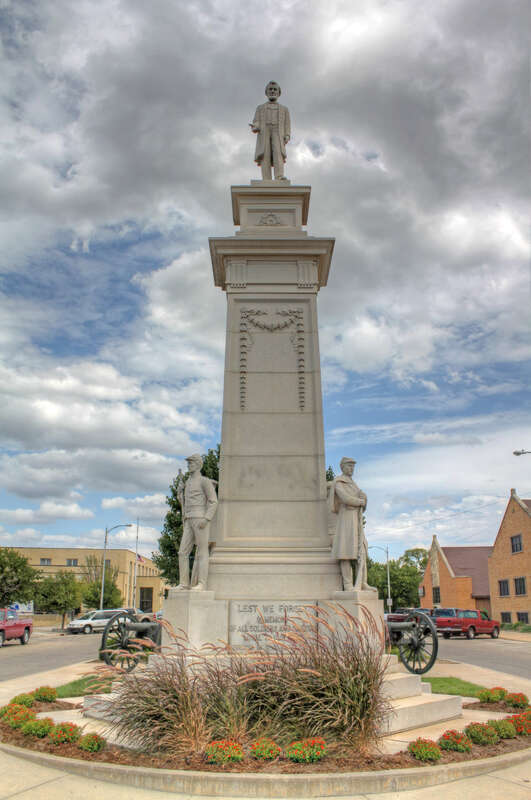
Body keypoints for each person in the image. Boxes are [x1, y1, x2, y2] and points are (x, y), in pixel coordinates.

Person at [329, 457, 375, 592]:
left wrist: (364, 498)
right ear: (343, 467)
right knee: (346, 551)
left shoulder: (354, 484)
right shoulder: (338, 482)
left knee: (362, 550)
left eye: (353, 467)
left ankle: (362, 582)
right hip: (346, 520)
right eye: (349, 466)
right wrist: (360, 501)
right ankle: (348, 584)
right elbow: (345, 498)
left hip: (357, 520)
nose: (351, 469)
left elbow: (360, 497)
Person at [175, 454, 218, 592]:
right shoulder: (187, 482)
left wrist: (206, 519)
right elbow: (184, 502)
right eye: (188, 463)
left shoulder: (204, 481)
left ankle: (201, 583)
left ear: (199, 464)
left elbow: (213, 501)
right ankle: (184, 583)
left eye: (191, 463)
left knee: (202, 552)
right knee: (182, 552)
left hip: (200, 519)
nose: (189, 465)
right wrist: (179, 491)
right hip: (188, 519)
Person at [250, 81, 291, 180]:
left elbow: (287, 124)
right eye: (270, 89)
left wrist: (287, 135)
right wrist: (255, 127)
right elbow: (256, 121)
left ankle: (279, 176)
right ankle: (266, 178)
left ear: (278, 92)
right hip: (265, 131)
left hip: (278, 131)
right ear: (266, 92)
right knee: (265, 153)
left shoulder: (284, 109)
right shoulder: (260, 108)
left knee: (278, 152)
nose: (272, 91)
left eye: (275, 89)